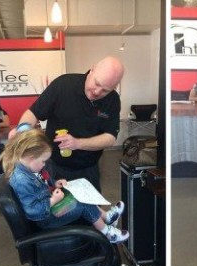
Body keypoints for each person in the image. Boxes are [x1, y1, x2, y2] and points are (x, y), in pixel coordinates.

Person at [9, 56, 124, 191]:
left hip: (89, 169)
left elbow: (110, 137)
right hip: (54, 166)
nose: (97, 92)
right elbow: (33, 113)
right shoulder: (63, 85)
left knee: (90, 210)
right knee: (57, 208)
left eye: (105, 90)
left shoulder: (113, 100)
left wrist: (78, 143)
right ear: (92, 70)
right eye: (97, 84)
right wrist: (22, 130)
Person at [0, 128, 129, 243]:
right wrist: (53, 200)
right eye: (43, 161)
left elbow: (43, 178)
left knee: (79, 194)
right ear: (31, 157)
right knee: (83, 204)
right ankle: (106, 232)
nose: (44, 164)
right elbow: (33, 211)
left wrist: (54, 183)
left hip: (50, 207)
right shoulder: (22, 180)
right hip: (47, 219)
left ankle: (107, 217)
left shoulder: (30, 166)